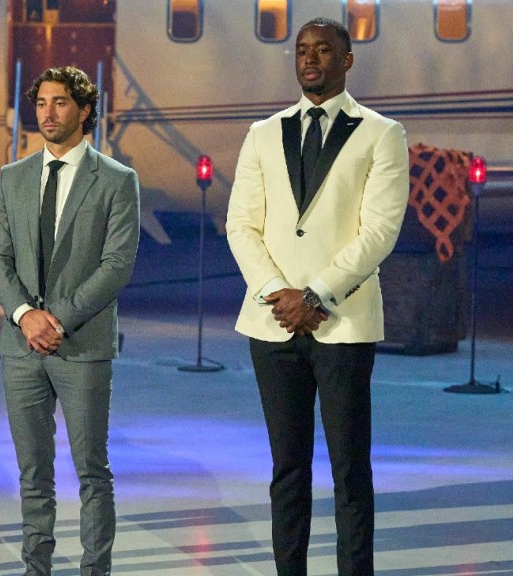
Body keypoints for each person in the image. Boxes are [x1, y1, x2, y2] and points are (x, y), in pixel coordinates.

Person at [225, 17, 409, 576]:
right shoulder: (263, 133)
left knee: (350, 471)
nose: (310, 58)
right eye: (302, 50)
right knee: (288, 470)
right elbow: (241, 226)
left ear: (346, 60)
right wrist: (278, 293)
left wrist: (317, 294)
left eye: (323, 49)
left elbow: (380, 231)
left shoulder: (381, 133)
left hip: (343, 323)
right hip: (272, 324)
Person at [0, 66, 140, 576]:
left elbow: (117, 265)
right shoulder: (12, 177)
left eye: (60, 102)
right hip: (20, 346)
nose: (47, 113)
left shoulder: (116, 180)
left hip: (83, 346)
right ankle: (37, 568)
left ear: (84, 110)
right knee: (33, 475)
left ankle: (96, 571)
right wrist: (26, 316)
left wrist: (57, 321)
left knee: (92, 472)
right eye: (41, 103)